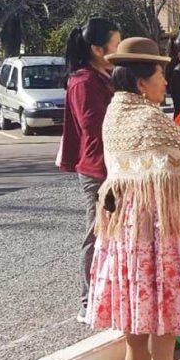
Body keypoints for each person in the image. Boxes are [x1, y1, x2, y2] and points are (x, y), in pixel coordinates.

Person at [87, 37, 180, 360]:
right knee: (163, 329)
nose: (165, 81)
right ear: (141, 83)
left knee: (136, 328)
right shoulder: (152, 122)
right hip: (162, 234)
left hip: (127, 236)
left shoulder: (114, 116)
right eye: (159, 75)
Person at [57, 18, 121, 323]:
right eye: (115, 44)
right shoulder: (83, 82)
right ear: (97, 49)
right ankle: (87, 301)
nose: (118, 49)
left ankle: (108, 296)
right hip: (97, 169)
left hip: (114, 165)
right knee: (97, 233)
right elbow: (94, 128)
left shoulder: (105, 76)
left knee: (116, 234)